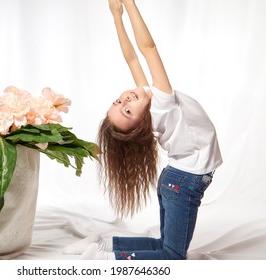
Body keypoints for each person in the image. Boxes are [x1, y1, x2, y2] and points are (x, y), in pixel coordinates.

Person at [63, 0, 222, 260]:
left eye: (119, 101)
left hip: (177, 179)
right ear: (142, 124)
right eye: (126, 110)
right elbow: (148, 49)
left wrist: (117, 17)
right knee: (172, 256)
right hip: (185, 181)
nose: (125, 99)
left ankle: (102, 244)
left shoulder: (149, 99)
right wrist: (129, 4)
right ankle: (102, 259)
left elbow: (131, 57)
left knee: (164, 245)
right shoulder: (162, 103)